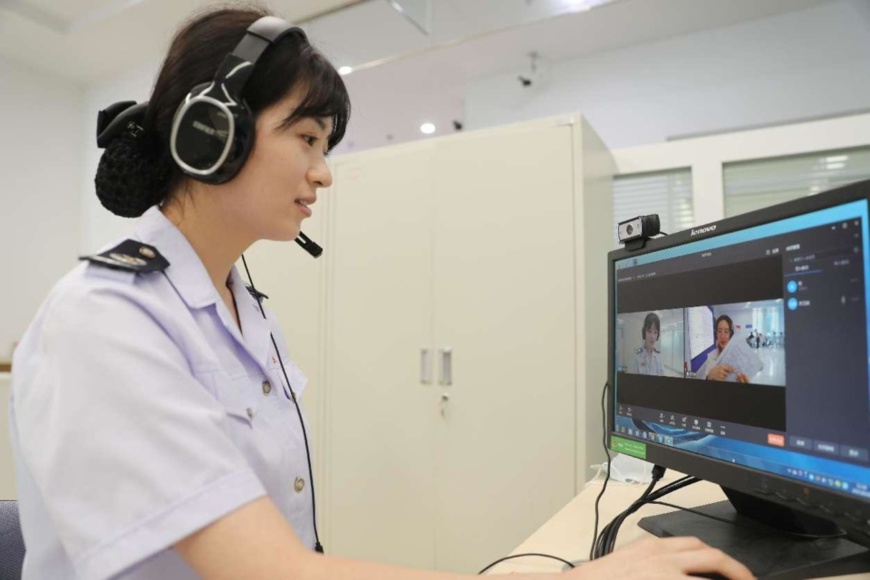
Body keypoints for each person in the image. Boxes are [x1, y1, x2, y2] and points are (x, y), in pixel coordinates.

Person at [8, 8, 754, 580]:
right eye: (306, 139)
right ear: (212, 135)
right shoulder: (107, 323)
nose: (325, 173)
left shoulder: (244, 308)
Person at [697, 315, 750, 383]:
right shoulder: (711, 356)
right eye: (719, 331)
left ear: (730, 335)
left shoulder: (739, 356)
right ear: (716, 334)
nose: (722, 336)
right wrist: (709, 376)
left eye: (726, 331)